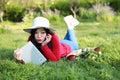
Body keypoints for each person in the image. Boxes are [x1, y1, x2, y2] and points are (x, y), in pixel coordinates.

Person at [13, 15, 101, 63]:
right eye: (36, 32)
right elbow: (30, 57)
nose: (39, 36)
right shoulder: (32, 39)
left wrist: (44, 46)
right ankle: (71, 25)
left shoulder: (54, 36)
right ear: (33, 33)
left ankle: (70, 27)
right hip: (60, 43)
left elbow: (55, 59)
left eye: (42, 32)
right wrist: (19, 58)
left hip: (67, 46)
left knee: (75, 44)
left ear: (48, 33)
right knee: (67, 38)